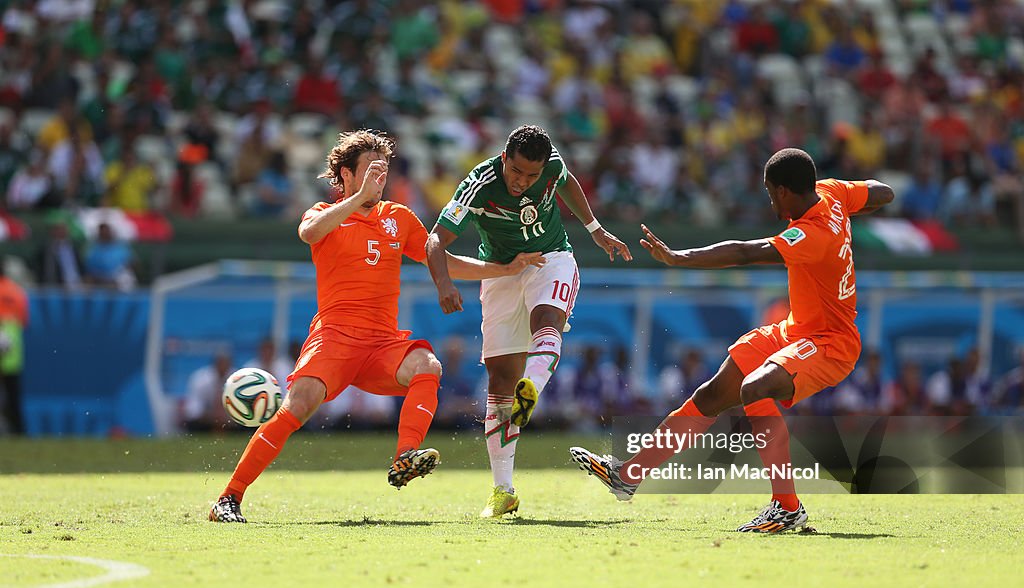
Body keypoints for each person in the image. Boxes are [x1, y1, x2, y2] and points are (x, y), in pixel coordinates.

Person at [209, 129, 544, 523]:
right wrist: (356, 199)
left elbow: (444, 261)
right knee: (297, 407)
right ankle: (228, 499)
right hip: (334, 337)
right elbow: (308, 233)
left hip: (382, 342)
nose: (378, 178)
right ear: (346, 174)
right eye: (370, 170)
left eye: (383, 170)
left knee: (428, 366)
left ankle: (405, 456)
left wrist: (504, 268)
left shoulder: (398, 218)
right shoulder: (322, 213)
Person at [570, 148, 894, 533]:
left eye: (771, 192)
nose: (770, 200)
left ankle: (786, 507)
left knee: (756, 388)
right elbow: (882, 191)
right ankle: (629, 474)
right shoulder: (832, 193)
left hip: (830, 342)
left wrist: (679, 258)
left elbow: (746, 252)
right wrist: (857, 209)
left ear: (786, 192)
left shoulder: (812, 232)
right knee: (713, 394)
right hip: (794, 330)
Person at [424, 124, 632, 518]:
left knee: (547, 322)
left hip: (551, 258)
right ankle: (503, 490)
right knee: (500, 379)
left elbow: (567, 183)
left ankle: (531, 389)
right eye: (517, 172)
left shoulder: (551, 165)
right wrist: (444, 284)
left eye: (532, 176)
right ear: (504, 159)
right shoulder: (480, 183)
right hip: (501, 272)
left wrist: (595, 230)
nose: (523, 182)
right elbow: (435, 239)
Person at [0, 261, 28, 434]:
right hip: (13, 348)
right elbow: (24, 320)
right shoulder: (16, 291)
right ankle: (18, 430)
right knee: (13, 393)